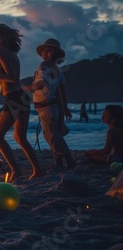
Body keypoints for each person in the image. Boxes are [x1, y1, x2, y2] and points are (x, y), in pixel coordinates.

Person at [0, 24, 42, 181]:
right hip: (20, 98)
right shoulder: (10, 52)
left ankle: (15, 171)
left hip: (13, 99)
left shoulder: (0, 51)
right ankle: (37, 170)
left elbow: (12, 77)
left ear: (0, 39)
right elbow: (6, 71)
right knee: (20, 138)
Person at [28, 39, 76, 170]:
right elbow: (61, 91)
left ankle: (70, 159)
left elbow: (39, 84)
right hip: (52, 106)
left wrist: (25, 87)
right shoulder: (57, 70)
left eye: (47, 50)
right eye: (43, 50)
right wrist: (64, 108)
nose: (44, 52)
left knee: (52, 135)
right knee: (54, 133)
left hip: (46, 106)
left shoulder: (44, 65)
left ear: (52, 52)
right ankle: (59, 162)